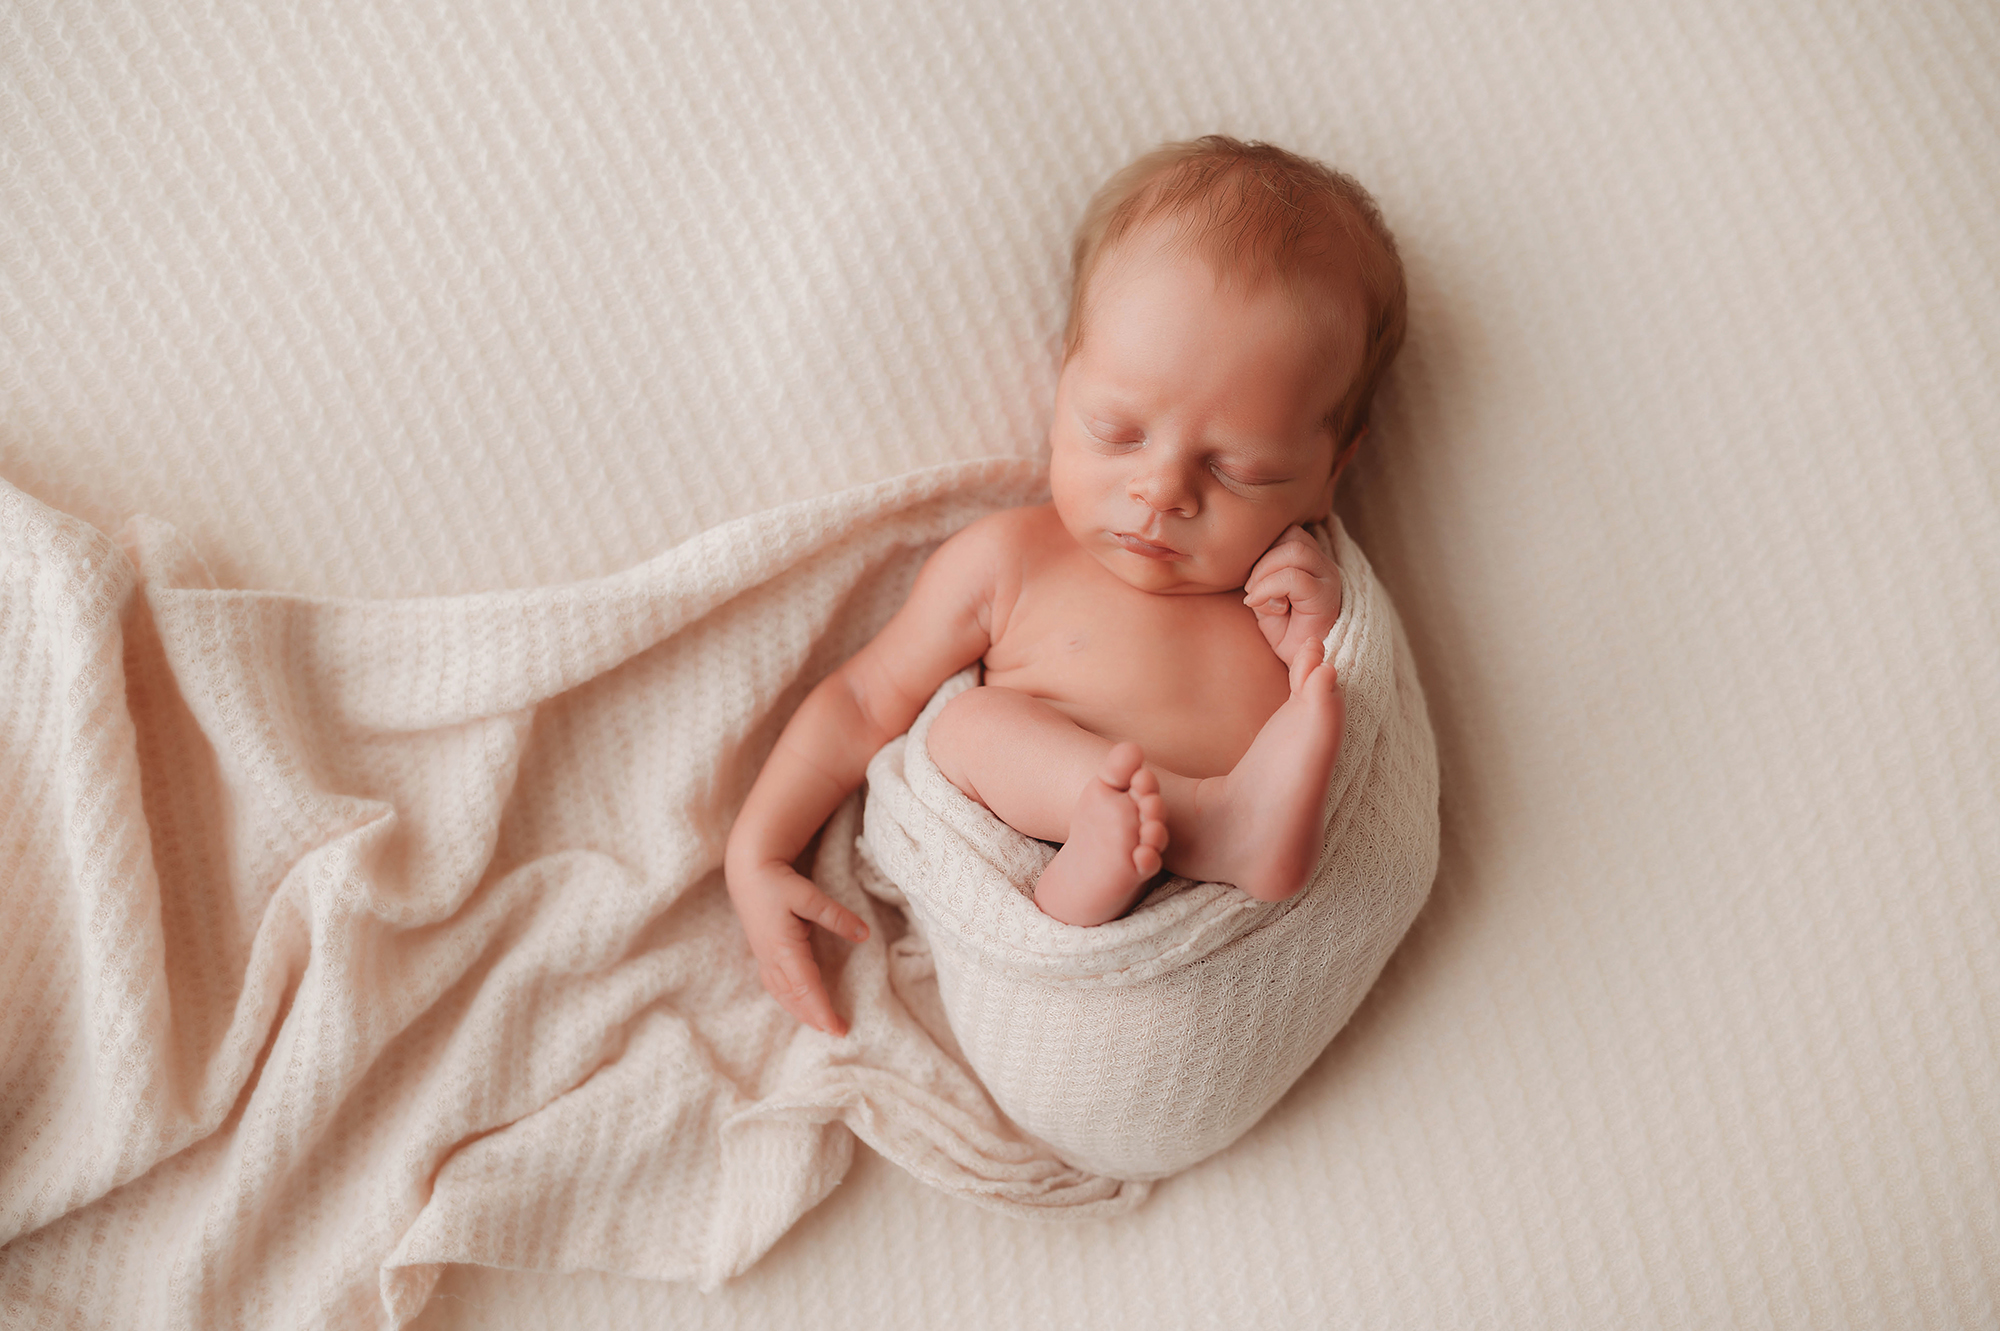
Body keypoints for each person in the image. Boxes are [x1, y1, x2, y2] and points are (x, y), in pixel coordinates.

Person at [725, 136, 1407, 1035]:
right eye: (1117, 432)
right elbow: (861, 697)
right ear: (1061, 385)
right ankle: (1166, 848)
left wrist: (1314, 628)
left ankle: (1173, 849)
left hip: (1233, 931)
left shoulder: (1283, 581)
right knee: (965, 730)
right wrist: (759, 849)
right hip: (1066, 897)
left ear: (1330, 470)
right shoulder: (1010, 559)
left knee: (1307, 704)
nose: (1161, 490)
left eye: (1238, 469)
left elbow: (1340, 704)